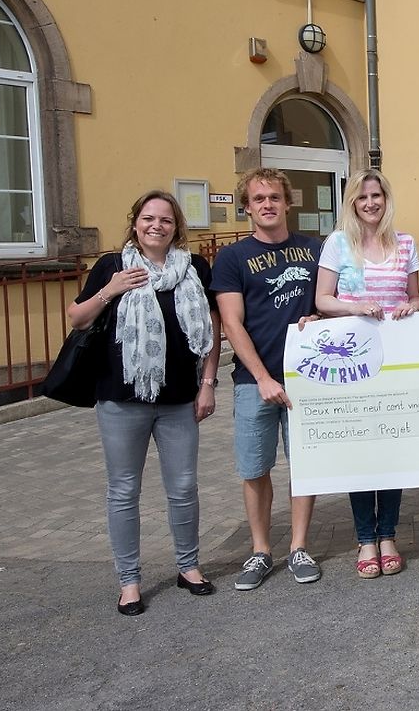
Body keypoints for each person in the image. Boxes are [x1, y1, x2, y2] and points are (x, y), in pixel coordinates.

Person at [67, 190, 221, 615]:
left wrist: (208, 383)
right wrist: (110, 290)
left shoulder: (194, 267)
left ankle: (188, 567)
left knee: (184, 487)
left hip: (179, 398)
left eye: (166, 220)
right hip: (121, 399)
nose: (157, 226)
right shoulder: (112, 266)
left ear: (176, 227)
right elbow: (77, 317)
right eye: (149, 218)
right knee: (123, 490)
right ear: (135, 222)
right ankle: (129, 581)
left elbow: (211, 328)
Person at [213, 168, 322, 591]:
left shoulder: (314, 250)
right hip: (253, 381)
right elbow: (231, 322)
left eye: (274, 197)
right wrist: (261, 377)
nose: (267, 205)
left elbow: (326, 301)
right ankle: (260, 550)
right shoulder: (233, 258)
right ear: (247, 207)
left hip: (306, 377)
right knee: (255, 468)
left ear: (287, 202)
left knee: (305, 465)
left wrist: (320, 315)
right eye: (258, 199)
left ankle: (299, 546)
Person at [315, 169, 419, 579]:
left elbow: (414, 297)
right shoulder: (337, 243)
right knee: (360, 452)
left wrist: (412, 306)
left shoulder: (405, 243)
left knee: (390, 451)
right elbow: (323, 299)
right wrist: (355, 307)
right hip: (352, 363)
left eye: (376, 195)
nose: (370, 203)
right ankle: (365, 539)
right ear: (352, 203)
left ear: (386, 199)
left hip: (396, 363)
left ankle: (388, 535)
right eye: (362, 197)